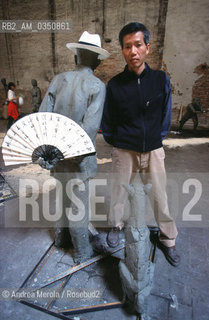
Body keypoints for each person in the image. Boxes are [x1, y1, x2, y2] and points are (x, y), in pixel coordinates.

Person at [101, 22, 180, 267]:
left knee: (159, 195)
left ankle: (168, 239)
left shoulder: (160, 79)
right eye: (127, 46)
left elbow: (166, 116)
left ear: (147, 46)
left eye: (137, 45)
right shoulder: (114, 85)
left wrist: (157, 138)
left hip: (154, 150)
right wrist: (118, 142)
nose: (133, 51)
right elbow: (107, 121)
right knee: (119, 192)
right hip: (124, 149)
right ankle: (115, 226)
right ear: (122, 51)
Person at [39, 31, 109, 264]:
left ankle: (60, 239)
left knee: (62, 199)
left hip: (57, 158)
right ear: (97, 61)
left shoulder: (58, 80)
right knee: (78, 206)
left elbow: (42, 118)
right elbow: (88, 130)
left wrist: (51, 152)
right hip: (80, 161)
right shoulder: (97, 86)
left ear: (77, 56)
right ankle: (81, 252)